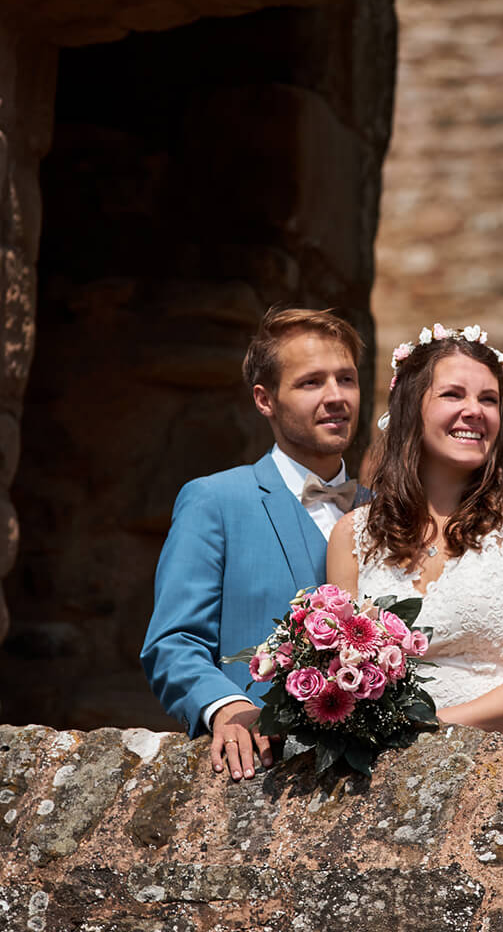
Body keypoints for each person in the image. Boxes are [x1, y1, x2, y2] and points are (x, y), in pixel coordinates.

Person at [326, 323, 503, 779]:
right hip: (390, 774)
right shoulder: (353, 535)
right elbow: (345, 679)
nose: (474, 411)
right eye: (453, 395)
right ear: (410, 411)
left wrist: (426, 728)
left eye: (488, 399)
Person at [141, 307, 365, 783]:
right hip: (260, 781)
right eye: (311, 383)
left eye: (346, 379)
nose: (336, 397)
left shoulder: (391, 513)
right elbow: (174, 641)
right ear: (265, 400)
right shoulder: (214, 500)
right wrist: (226, 706)